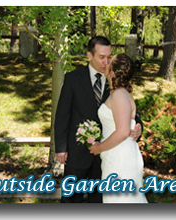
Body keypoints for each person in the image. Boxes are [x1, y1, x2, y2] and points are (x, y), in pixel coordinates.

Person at [54, 36, 143, 203]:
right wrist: (61, 148)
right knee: (71, 199)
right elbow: (62, 115)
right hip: (77, 151)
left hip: (108, 154)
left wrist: (138, 127)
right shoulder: (73, 79)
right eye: (102, 57)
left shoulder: (117, 81)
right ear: (90, 55)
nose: (106, 62)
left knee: (99, 201)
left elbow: (132, 113)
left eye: (109, 57)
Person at [89, 53, 148, 203]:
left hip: (120, 159)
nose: (106, 63)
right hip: (116, 156)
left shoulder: (120, 95)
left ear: (113, 72)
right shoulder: (120, 93)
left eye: (110, 62)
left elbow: (122, 132)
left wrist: (99, 148)